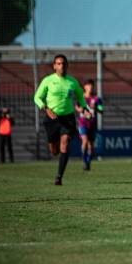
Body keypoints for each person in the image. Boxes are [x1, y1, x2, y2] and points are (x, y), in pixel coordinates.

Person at [34, 54, 89, 185]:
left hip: (68, 118)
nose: (61, 66)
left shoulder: (72, 82)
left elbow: (80, 97)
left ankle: (59, 177)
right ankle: (56, 148)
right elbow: (37, 97)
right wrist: (46, 108)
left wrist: (85, 108)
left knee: (64, 143)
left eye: (63, 63)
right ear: (54, 66)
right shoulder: (48, 80)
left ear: (67, 65)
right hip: (52, 118)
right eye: (58, 63)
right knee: (54, 151)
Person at [78, 79, 104, 171]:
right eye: (88, 85)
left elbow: (102, 110)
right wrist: (80, 110)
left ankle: (88, 162)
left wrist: (96, 108)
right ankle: (84, 161)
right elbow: (77, 106)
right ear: (85, 87)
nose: (90, 87)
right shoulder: (81, 98)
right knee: (84, 141)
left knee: (91, 147)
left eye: (92, 86)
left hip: (92, 125)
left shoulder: (97, 99)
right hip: (83, 124)